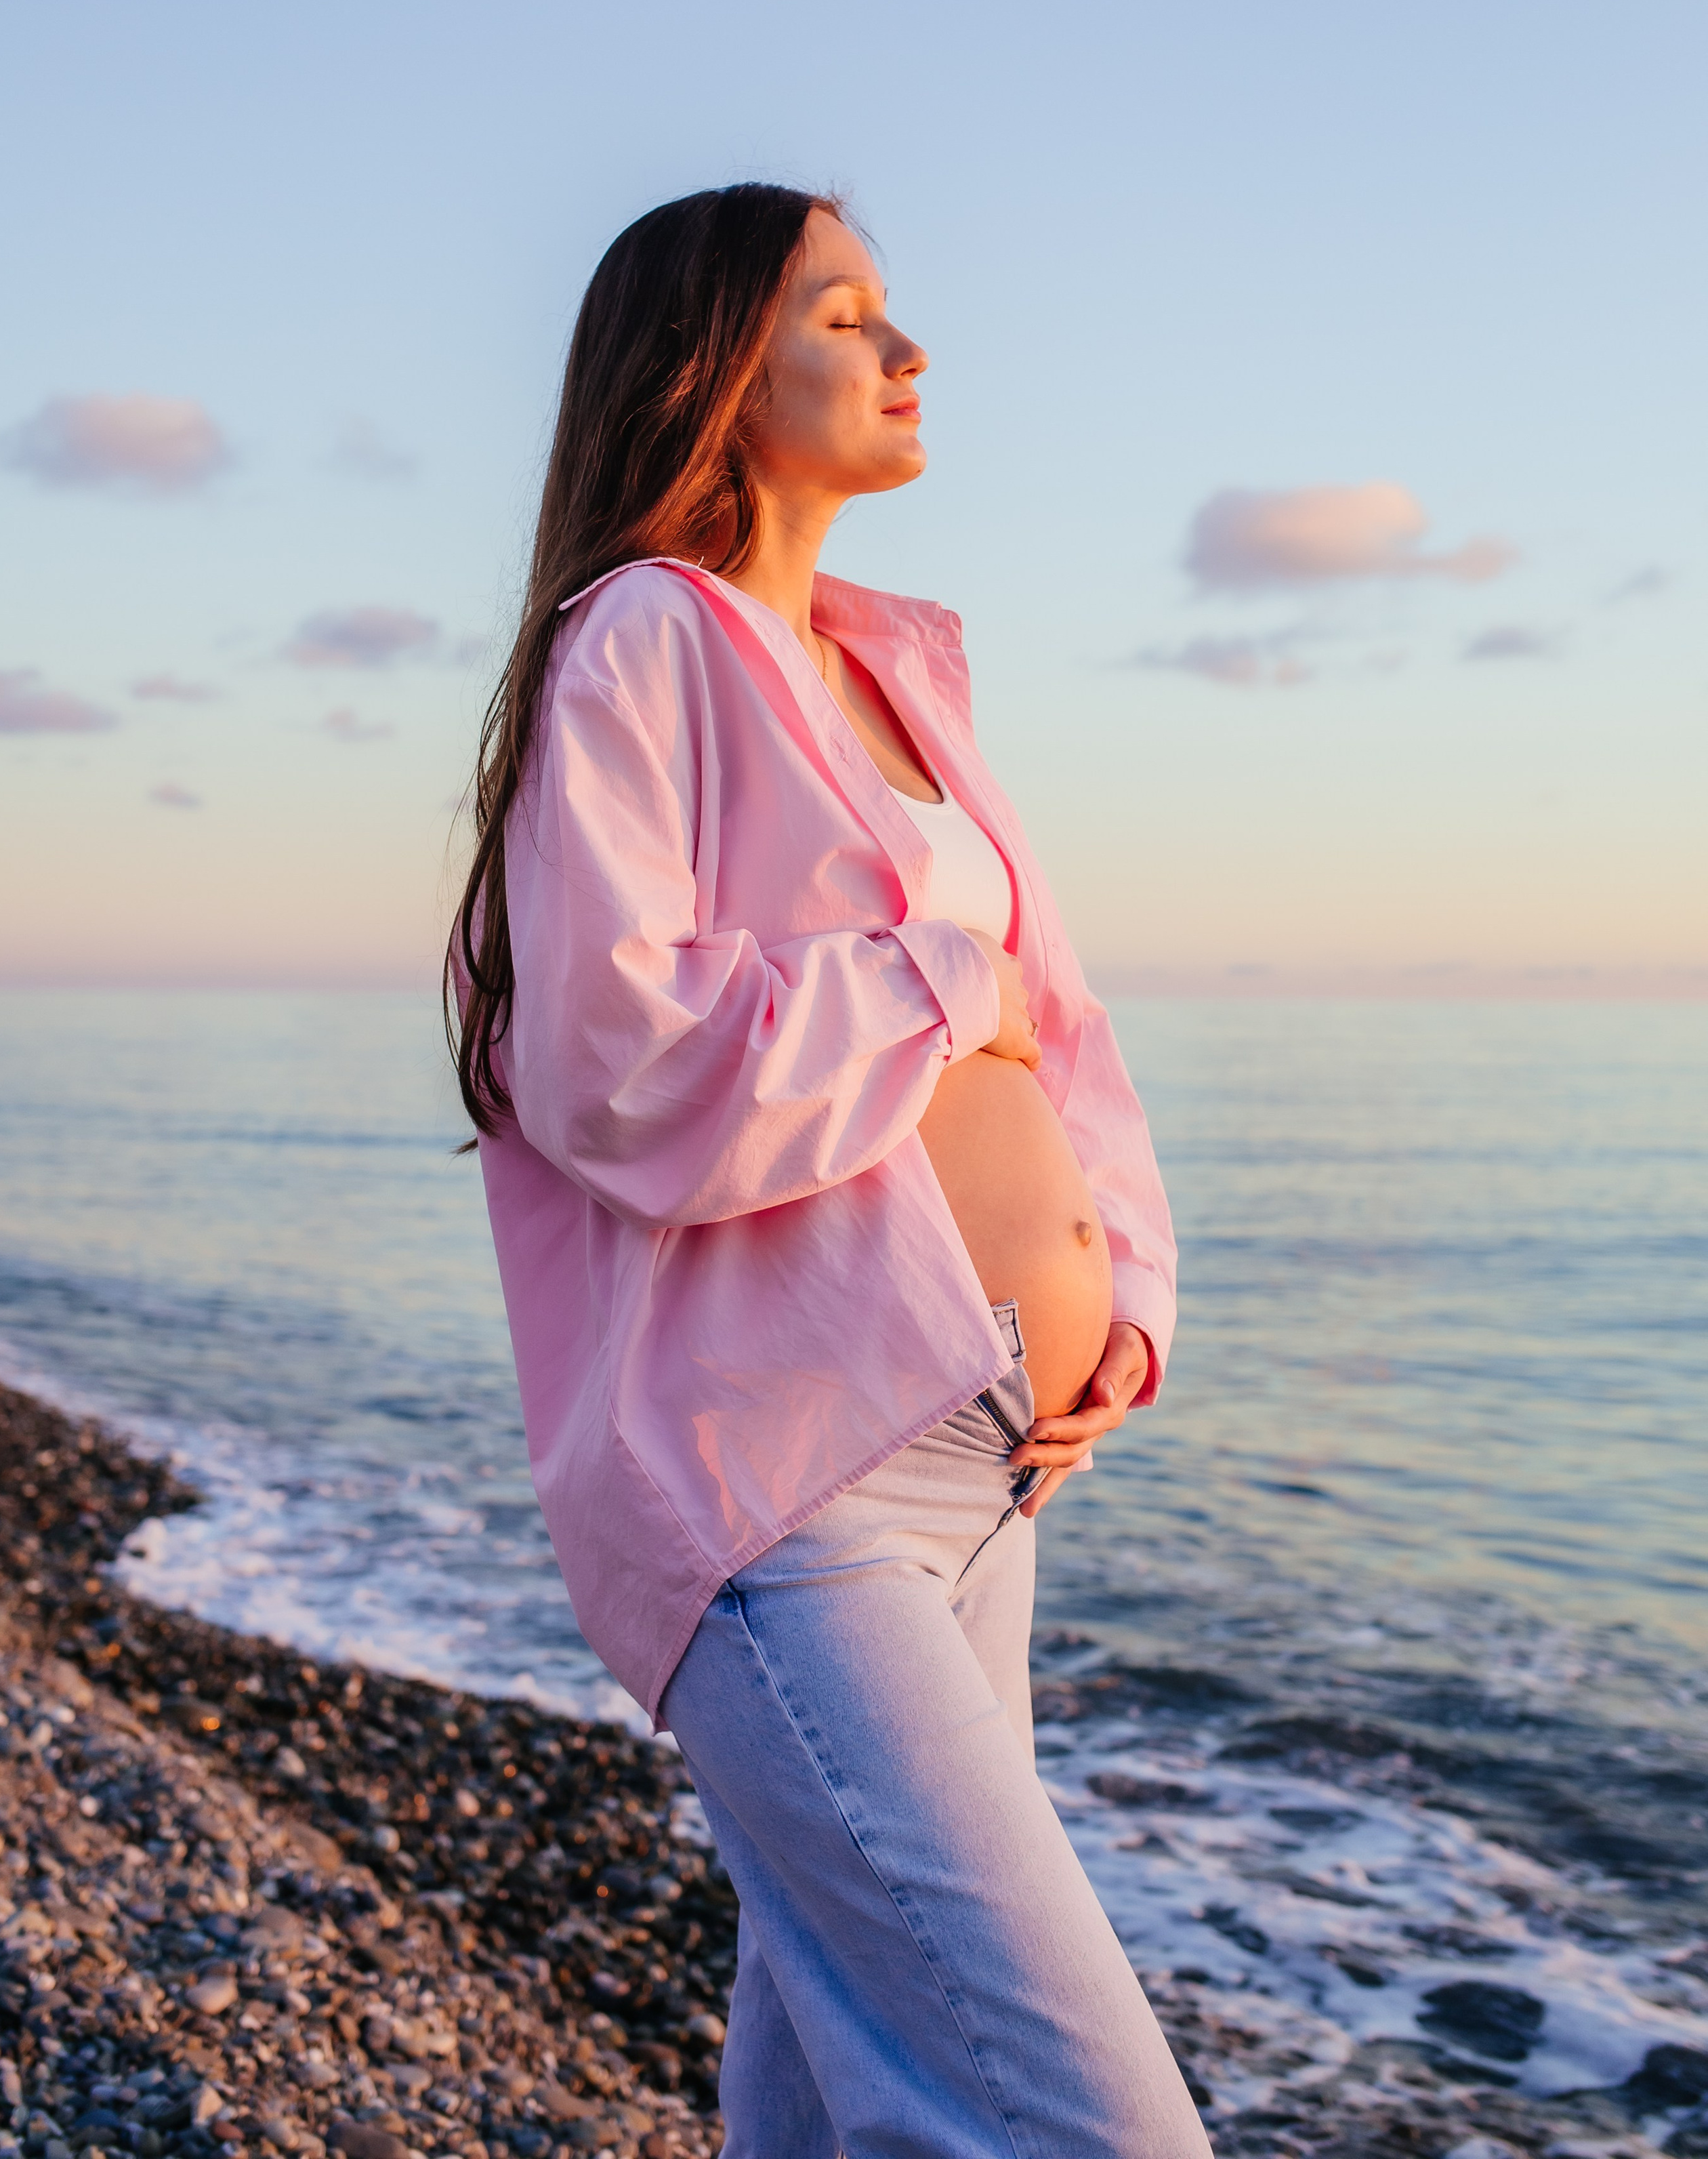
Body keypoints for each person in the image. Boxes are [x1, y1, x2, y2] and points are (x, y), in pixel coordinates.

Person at [449, 184, 1211, 2157]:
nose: (907, 348)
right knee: (1089, 2125)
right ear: (712, 367)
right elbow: (615, 1056)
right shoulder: (641, 639)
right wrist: (937, 975)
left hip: (989, 1476)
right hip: (794, 1488)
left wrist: (1120, 1313)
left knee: (833, 2075)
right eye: (847, 311)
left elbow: (1068, 1039)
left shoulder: (906, 681)